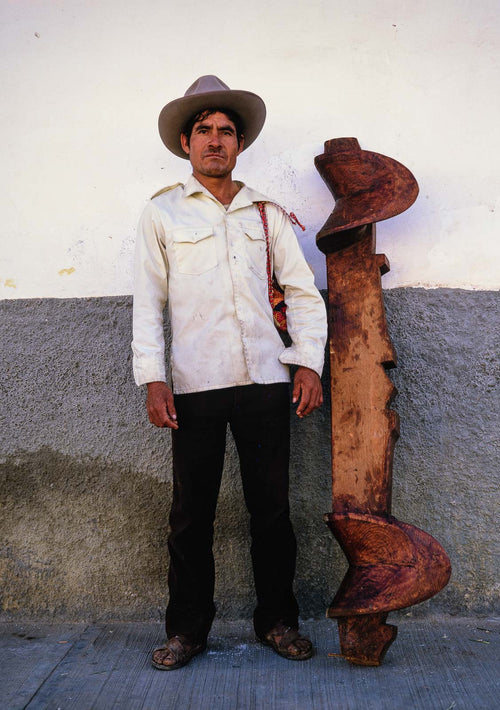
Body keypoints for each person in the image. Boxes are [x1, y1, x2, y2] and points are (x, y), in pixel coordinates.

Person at [132, 75, 327, 670]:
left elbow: (302, 293)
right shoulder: (161, 212)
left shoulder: (265, 213)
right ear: (186, 143)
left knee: (271, 511)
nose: (215, 141)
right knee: (192, 515)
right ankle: (188, 630)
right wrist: (154, 378)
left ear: (239, 144)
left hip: (267, 384)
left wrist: (307, 364)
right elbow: (149, 301)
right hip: (195, 386)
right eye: (204, 131)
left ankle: (278, 621)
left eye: (226, 132)